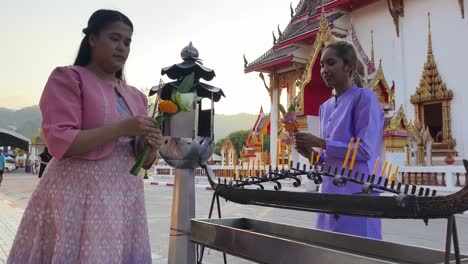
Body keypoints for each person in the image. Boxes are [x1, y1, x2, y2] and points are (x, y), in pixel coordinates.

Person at [7, 9, 163, 263]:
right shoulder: (68, 78)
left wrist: (151, 147)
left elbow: (144, 160)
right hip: (76, 195)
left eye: (127, 42)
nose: (122, 47)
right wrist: (122, 128)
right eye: (114, 38)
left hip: (124, 197)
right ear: (92, 38)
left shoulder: (136, 96)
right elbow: (60, 142)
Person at [294, 41, 384, 240]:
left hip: (358, 193)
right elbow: (328, 161)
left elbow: (364, 151)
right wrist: (309, 153)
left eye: (331, 63)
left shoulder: (364, 98)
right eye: (322, 65)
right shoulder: (325, 108)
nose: (324, 70)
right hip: (329, 192)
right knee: (327, 253)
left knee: (357, 254)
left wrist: (321, 142)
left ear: (348, 67)